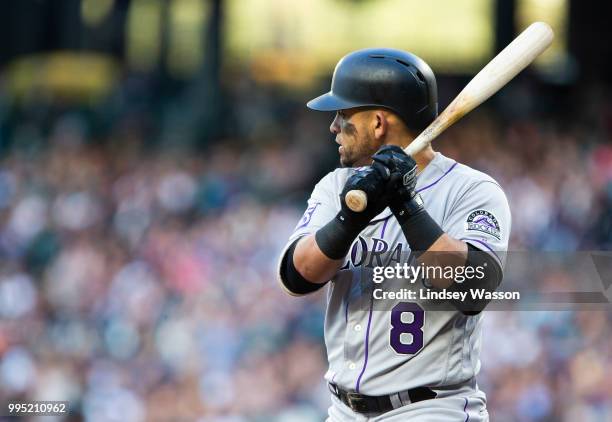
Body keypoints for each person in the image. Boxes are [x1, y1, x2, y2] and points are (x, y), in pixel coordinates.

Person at [277, 48, 511, 421]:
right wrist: (351, 217)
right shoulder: (336, 185)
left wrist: (405, 204)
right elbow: (297, 277)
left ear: (378, 123)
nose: (333, 127)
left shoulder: (471, 190)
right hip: (343, 410)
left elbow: (473, 290)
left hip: (431, 408)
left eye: (344, 114)